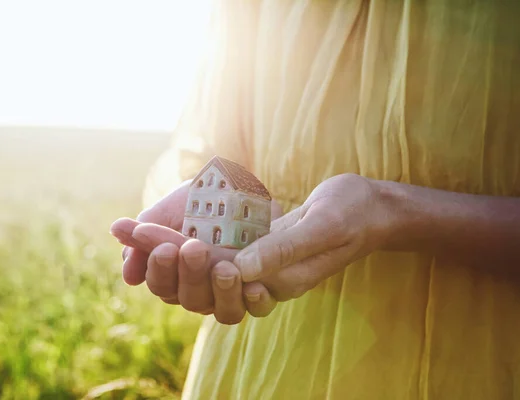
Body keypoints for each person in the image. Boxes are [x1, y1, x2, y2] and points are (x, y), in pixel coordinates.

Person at [111, 1, 520, 398]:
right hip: (264, 349)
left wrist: (394, 210)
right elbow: (222, 148)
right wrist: (208, 190)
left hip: (467, 350)